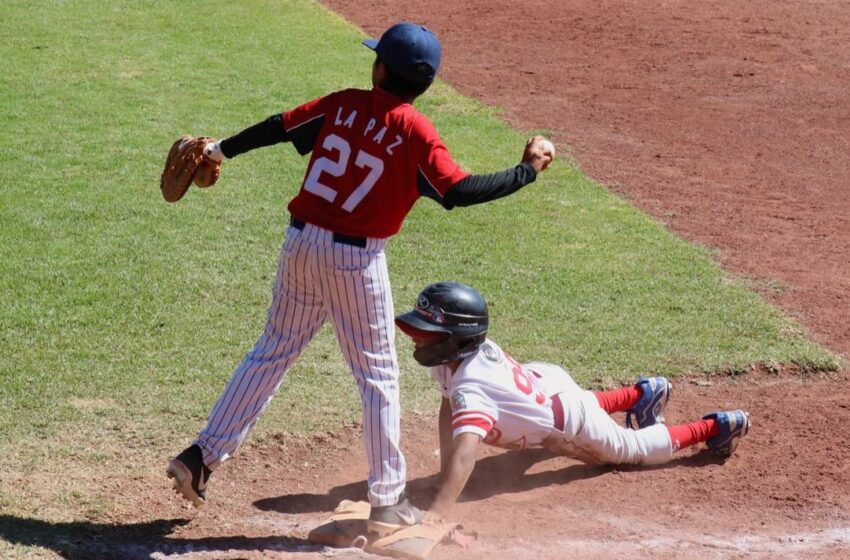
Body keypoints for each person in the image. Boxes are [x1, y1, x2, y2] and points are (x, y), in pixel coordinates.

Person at [166, 22, 554, 536]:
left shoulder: (342, 103)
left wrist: (220, 150)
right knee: (378, 377)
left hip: (301, 244)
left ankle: (201, 456)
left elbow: (278, 127)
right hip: (356, 262)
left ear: (380, 69)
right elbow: (459, 191)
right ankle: (388, 501)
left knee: (273, 349)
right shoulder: (416, 132)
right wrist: (526, 169)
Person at [393, 281, 751, 523]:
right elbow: (447, 409)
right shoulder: (458, 358)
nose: (416, 339)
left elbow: (466, 454)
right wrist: (442, 479)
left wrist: (438, 515)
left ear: (455, 338)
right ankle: (643, 395)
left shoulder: (472, 389)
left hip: (568, 423)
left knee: (632, 451)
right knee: (574, 401)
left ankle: (717, 427)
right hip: (546, 382)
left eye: (426, 334)